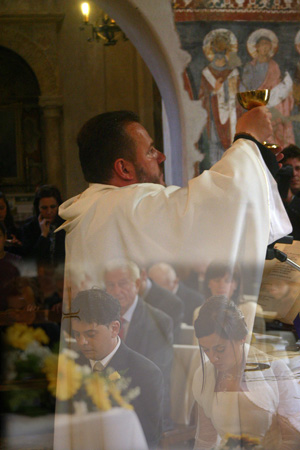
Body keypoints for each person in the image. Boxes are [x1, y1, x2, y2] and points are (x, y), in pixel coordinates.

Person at [192, 296, 300, 450]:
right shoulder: (204, 376)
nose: (213, 358)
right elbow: (205, 439)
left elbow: (293, 438)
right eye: (206, 350)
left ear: (241, 337)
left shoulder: (275, 369)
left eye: (220, 349)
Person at [70, 288, 164, 449]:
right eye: (77, 334)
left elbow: (149, 436)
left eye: (90, 334)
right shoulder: (71, 366)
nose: (82, 342)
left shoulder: (146, 373)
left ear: (114, 328)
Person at [103, 259, 174, 431]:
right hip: (107, 403)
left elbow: (152, 375)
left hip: (145, 406)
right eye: (110, 286)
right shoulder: (101, 319)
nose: (116, 291)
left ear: (136, 284)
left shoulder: (159, 322)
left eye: (122, 284)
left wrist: (106, 381)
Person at [241, 30, 295, 148]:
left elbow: (282, 89)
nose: (265, 48)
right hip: (256, 108)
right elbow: (244, 88)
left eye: (268, 45)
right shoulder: (250, 67)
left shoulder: (275, 67)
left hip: (274, 109)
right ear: (256, 47)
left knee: (276, 141)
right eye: (262, 45)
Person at [22, 185, 65, 265]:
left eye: (53, 207)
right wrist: (43, 235)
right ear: (38, 208)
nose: (49, 212)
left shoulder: (66, 225)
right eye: (44, 208)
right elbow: (29, 259)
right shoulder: (29, 228)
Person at [138, 267, 184, 340]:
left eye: (123, 282)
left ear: (143, 275)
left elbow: (168, 344)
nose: (118, 291)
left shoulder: (171, 303)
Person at [277, 144, 300, 240]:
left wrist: (291, 199)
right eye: (289, 169)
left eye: (298, 168)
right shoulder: (275, 194)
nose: (294, 174)